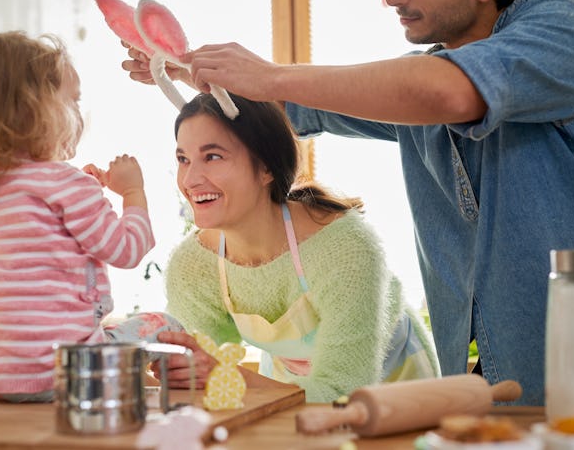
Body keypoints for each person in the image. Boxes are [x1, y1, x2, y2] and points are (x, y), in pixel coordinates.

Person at [122, 0, 574, 405]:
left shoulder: (563, 25)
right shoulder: (413, 95)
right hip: (491, 379)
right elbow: (292, 109)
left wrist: (271, 73)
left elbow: (447, 90)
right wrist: (189, 71)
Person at [153, 92, 439, 403]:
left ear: (266, 168)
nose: (191, 179)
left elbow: (342, 390)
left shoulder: (344, 249)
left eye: (213, 156)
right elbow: (188, 370)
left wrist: (228, 375)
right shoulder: (194, 266)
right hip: (288, 389)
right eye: (183, 159)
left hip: (393, 392)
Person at [0, 31, 178, 402]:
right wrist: (132, 192)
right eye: (74, 101)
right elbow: (127, 250)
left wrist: (89, 192)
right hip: (66, 373)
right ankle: (169, 403)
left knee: (109, 328)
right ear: (36, 108)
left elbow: (47, 247)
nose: (79, 113)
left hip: (2, 375)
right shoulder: (64, 183)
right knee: (162, 323)